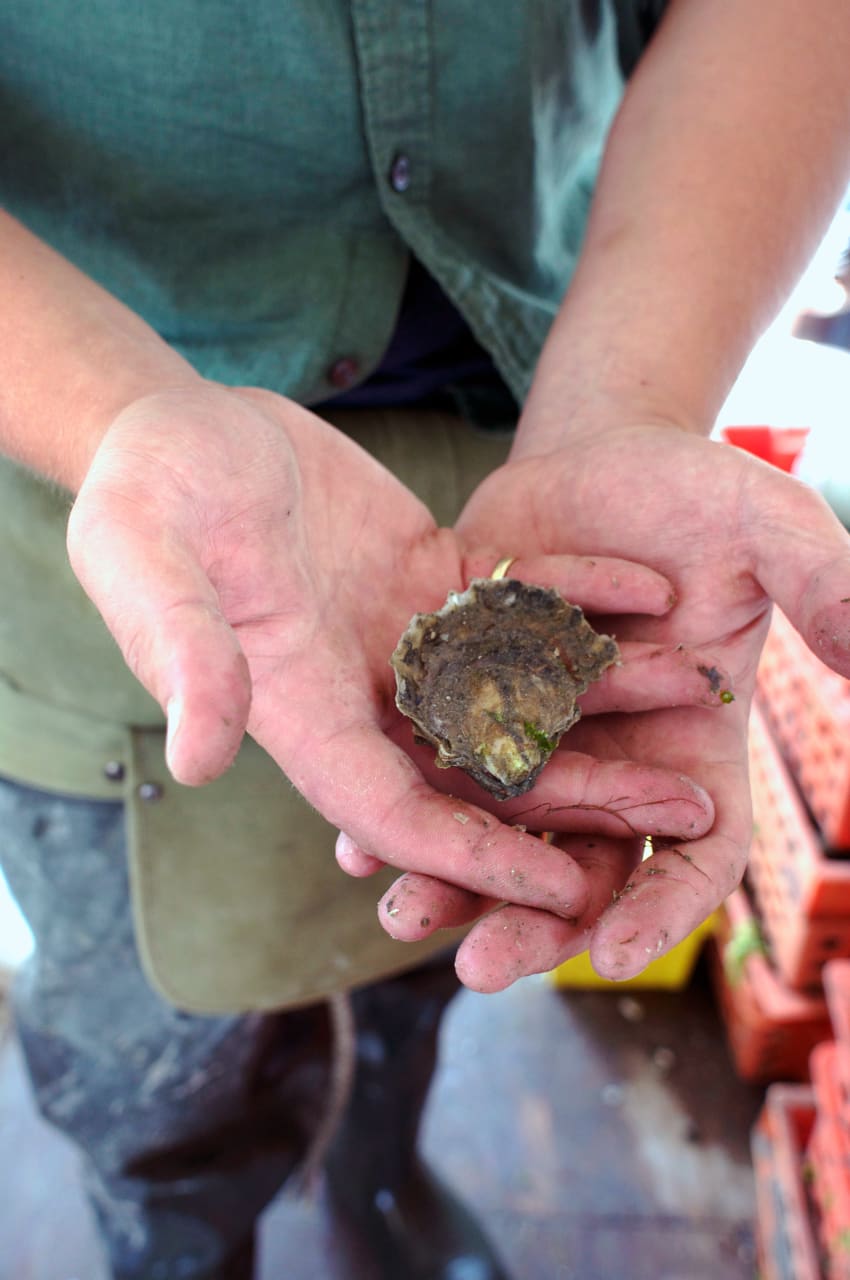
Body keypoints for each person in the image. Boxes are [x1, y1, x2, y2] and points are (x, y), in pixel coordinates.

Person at [3, 2, 850, 1277]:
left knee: (443, 935)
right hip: (96, 477)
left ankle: (380, 1183)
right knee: (159, 1061)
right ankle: (176, 1236)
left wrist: (627, 402)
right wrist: (123, 410)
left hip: (547, 415)